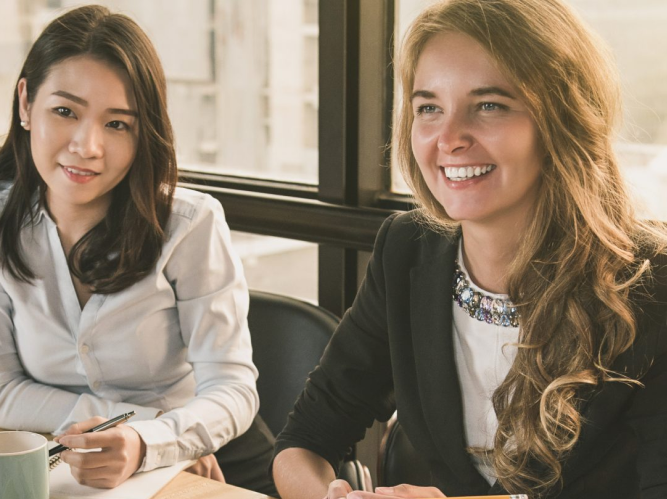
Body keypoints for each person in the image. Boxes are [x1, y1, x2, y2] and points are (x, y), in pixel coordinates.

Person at [271, 0, 667, 498]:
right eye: (429, 107)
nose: (449, 138)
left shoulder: (654, 285)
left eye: (489, 104)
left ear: (560, 122)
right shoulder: (407, 249)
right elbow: (304, 439)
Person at [0, 5, 276, 494]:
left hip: (215, 461)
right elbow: (3, 391)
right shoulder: (4, 225)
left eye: (117, 124)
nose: (87, 146)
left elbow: (232, 388)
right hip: (77, 458)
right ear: (25, 103)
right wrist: (149, 431)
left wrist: (154, 445)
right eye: (65, 111)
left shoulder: (189, 226)